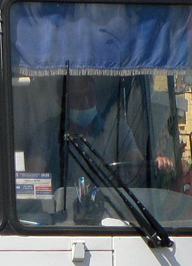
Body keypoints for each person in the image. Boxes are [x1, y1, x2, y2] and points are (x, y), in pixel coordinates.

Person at [27, 75, 173, 188]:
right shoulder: (48, 132)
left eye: (89, 95)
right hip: (62, 216)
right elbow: (32, 177)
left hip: (110, 214)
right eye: (78, 98)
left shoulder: (116, 128)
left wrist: (158, 164)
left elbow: (137, 168)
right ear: (62, 103)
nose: (86, 103)